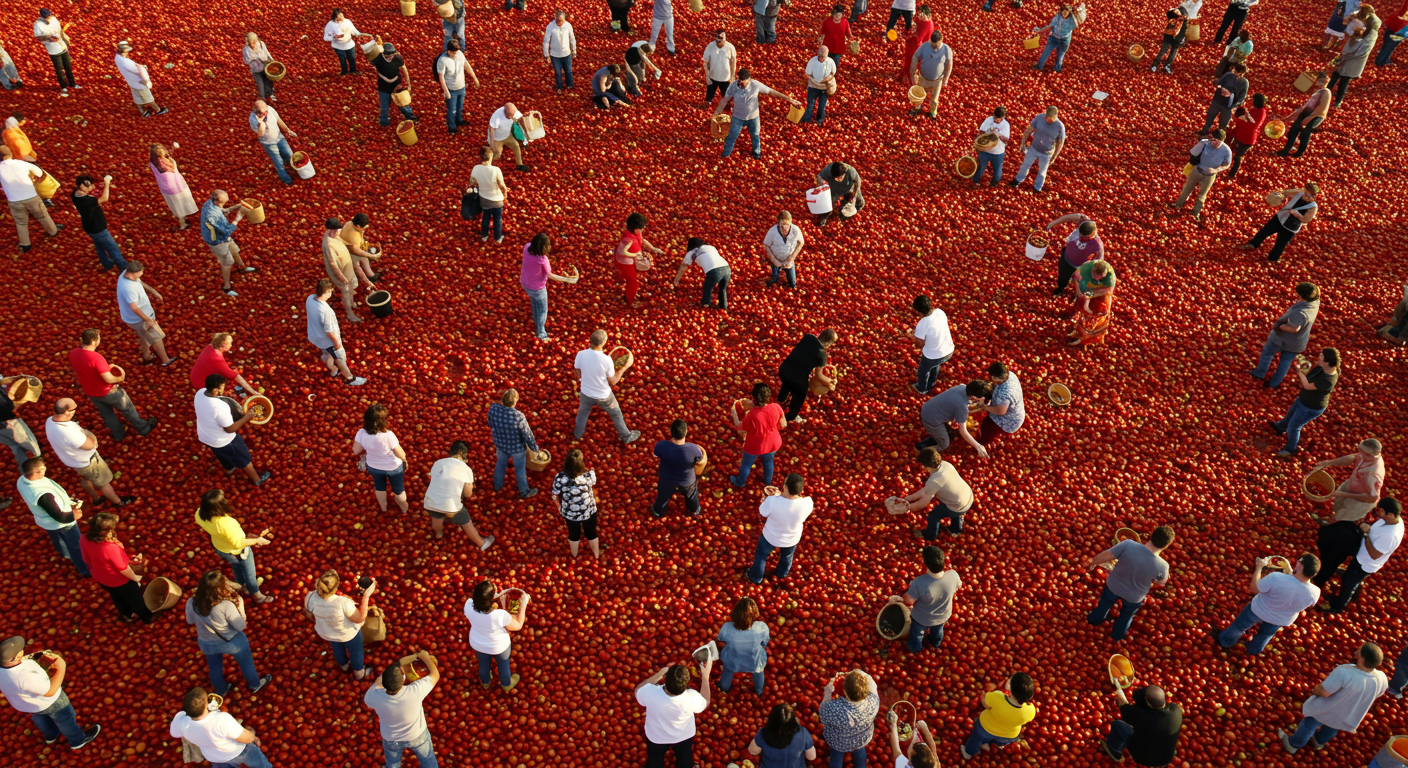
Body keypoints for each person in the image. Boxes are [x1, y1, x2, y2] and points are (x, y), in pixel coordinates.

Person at [1279, 643, 1387, 754]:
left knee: (1309, 724)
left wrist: (1315, 691)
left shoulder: (1345, 672)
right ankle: (1318, 742)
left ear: (1362, 659)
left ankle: (1293, 744)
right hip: (1348, 713)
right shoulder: (1382, 678)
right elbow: (1378, 693)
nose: (1357, 650)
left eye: (1359, 650)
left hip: (1328, 707)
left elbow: (1325, 692)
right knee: (1333, 727)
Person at [0, 636, 100, 750]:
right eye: (20, 650)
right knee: (65, 718)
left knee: (40, 716)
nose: (23, 651)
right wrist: (61, 667)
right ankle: (77, 740)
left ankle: (51, 735)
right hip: (50, 702)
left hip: (28, 704)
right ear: (16, 657)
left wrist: (36, 657)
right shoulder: (26, 677)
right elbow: (50, 692)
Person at [1214, 553, 1321, 655]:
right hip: (1280, 620)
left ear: (1301, 566)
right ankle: (1252, 651)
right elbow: (1299, 595)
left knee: (1239, 626)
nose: (1297, 562)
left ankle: (1225, 641)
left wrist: (1259, 568)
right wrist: (1291, 575)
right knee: (1264, 635)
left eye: (1300, 561)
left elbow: (1255, 588)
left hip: (1258, 609)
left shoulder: (1276, 577)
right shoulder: (1315, 592)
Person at [186, 570, 272, 694]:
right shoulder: (226, 605)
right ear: (221, 587)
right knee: (246, 663)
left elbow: (190, 621)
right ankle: (255, 685)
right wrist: (240, 605)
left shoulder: (191, 602)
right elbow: (241, 626)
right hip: (231, 641)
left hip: (206, 643)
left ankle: (221, 690)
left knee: (214, 667)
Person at [1085, 525, 1174, 641]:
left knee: (1104, 604)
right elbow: (1160, 583)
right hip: (1134, 597)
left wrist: (1091, 563)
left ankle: (1094, 621)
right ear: (1166, 546)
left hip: (1113, 586)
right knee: (1126, 616)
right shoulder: (1163, 566)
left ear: (1151, 535)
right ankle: (1117, 636)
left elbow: (1106, 556)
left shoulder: (1128, 545)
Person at [44, 399, 134, 508]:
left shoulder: (50, 420)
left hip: (73, 461)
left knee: (85, 478)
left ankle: (96, 498)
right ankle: (118, 502)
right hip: (87, 462)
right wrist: (90, 435)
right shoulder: (68, 433)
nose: (75, 411)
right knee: (102, 483)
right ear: (67, 412)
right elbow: (91, 445)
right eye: (73, 409)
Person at [1317, 498, 1402, 614]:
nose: (1379, 513)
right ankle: (1346, 595)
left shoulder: (1390, 535)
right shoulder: (1392, 520)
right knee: (1348, 578)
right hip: (1361, 556)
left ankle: (1337, 606)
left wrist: (1366, 534)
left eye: (1382, 511)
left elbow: (1375, 555)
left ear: (1391, 514)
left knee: (1349, 582)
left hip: (1365, 563)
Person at [70, 328, 155, 441]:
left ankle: (119, 435)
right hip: (108, 391)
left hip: (91, 392)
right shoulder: (96, 358)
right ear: (95, 341)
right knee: (128, 409)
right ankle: (144, 428)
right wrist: (120, 378)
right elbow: (108, 378)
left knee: (107, 415)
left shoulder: (73, 353)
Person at [195, 489, 274, 604]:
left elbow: (229, 535)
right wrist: (257, 540)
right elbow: (238, 543)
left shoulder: (199, 514)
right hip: (237, 550)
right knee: (249, 571)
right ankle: (257, 595)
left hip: (221, 548)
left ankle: (240, 584)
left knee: (236, 565)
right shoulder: (224, 523)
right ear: (220, 506)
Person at [364, 651, 441, 768]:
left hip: (391, 739)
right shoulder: (414, 691)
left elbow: (377, 683)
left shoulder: (373, 695)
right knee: (428, 760)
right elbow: (435, 675)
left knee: (393, 764)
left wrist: (385, 676)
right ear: (403, 681)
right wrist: (424, 657)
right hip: (417, 736)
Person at [17, 458, 89, 577]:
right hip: (61, 523)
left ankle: (63, 553)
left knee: (57, 536)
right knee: (76, 545)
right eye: (43, 468)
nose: (46, 468)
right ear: (37, 472)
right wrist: (74, 515)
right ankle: (84, 569)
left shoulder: (21, 480)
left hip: (45, 521)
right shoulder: (43, 494)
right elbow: (60, 517)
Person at [194, 375, 271, 487]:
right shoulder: (220, 407)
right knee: (243, 457)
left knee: (222, 453)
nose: (223, 389)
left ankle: (229, 468)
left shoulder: (200, 393)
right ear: (216, 390)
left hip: (206, 435)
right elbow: (230, 429)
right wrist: (247, 417)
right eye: (222, 387)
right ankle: (257, 479)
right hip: (223, 440)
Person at [636, 661, 712, 768]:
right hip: (683, 736)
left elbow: (638, 690)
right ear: (687, 684)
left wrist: (659, 674)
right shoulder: (692, 697)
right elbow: (706, 700)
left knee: (655, 758)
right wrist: (705, 676)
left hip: (656, 737)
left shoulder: (650, 692)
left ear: (665, 679)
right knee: (684, 756)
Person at [169, 687, 270, 768]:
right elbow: (247, 738)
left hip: (214, 758)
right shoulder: (221, 719)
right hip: (237, 752)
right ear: (206, 705)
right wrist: (252, 734)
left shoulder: (181, 720)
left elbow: (174, 733)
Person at [712, 68, 801, 160]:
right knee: (731, 136)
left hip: (753, 117)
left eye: (744, 81)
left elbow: (771, 91)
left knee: (755, 135)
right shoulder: (733, 86)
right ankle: (725, 154)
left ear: (749, 79)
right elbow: (725, 99)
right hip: (738, 117)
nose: (741, 83)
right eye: (740, 80)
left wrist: (789, 99)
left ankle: (756, 153)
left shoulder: (755, 85)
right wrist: (717, 112)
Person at [303, 570, 375, 681]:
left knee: (337, 648)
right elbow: (360, 618)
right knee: (356, 651)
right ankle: (359, 673)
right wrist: (366, 596)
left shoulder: (310, 597)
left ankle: (344, 665)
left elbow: (308, 613)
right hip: (348, 634)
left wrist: (321, 620)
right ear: (335, 588)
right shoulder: (343, 603)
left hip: (328, 633)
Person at [80, 511, 151, 623]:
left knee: (117, 596)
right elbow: (123, 568)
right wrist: (135, 578)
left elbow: (85, 559)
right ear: (107, 531)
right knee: (136, 600)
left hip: (100, 578)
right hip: (120, 581)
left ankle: (128, 615)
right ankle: (147, 618)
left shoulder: (83, 538)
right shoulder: (111, 548)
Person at [887, 545, 960, 652]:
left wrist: (896, 598)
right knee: (938, 630)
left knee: (917, 634)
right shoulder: (953, 575)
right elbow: (958, 586)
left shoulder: (920, 583)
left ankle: (915, 648)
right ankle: (935, 643)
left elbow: (908, 600)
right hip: (943, 615)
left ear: (926, 564)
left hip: (922, 619)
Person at [574, 330, 642, 443]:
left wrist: (583, 380)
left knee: (583, 413)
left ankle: (577, 434)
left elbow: (577, 371)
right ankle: (626, 437)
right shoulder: (606, 360)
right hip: (603, 395)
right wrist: (625, 368)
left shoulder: (580, 354)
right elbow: (612, 382)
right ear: (604, 342)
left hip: (586, 393)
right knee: (616, 413)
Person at [425, 440, 495, 550]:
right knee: (466, 521)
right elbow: (468, 494)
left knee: (436, 515)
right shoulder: (465, 469)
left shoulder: (438, 463)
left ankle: (439, 533)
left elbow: (436, 479)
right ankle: (482, 543)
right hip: (450, 506)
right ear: (461, 454)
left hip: (430, 501)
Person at [1251, 282, 1321, 388]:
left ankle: (1259, 373)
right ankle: (1273, 384)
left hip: (1283, 339)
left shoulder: (1300, 312)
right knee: (1285, 363)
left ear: (1302, 297)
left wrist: (1282, 327)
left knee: (1267, 354)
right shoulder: (1315, 303)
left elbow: (1295, 328)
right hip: (1297, 343)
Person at [747, 473, 813, 584]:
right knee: (787, 556)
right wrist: (780, 495)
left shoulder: (773, 501)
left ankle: (756, 577)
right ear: (801, 490)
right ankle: (781, 575)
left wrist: (770, 498)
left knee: (761, 556)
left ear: (785, 487)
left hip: (770, 537)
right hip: (791, 539)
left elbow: (762, 512)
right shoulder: (807, 503)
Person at [896, 447, 975, 537]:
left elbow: (923, 503)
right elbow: (925, 491)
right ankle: (956, 529)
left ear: (926, 467)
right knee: (955, 509)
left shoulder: (935, 481)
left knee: (934, 515)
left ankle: (930, 535)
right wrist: (907, 498)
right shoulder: (945, 464)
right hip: (968, 496)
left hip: (958, 505)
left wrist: (907, 508)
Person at [464, 580, 527, 691]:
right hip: (498, 646)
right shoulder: (500, 615)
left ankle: (485, 683)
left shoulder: (468, 606)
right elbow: (517, 625)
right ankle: (506, 685)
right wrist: (523, 605)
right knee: (503, 665)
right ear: (491, 599)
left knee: (483, 664)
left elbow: (475, 603)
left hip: (478, 644)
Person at [1310, 439, 1386, 525]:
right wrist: (1328, 463)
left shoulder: (1372, 475)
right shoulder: (1367, 456)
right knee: (1337, 506)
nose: (1359, 452)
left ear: (1370, 455)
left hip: (1359, 501)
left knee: (1343, 517)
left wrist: (1345, 495)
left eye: (1361, 451)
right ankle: (1328, 519)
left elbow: (1372, 497)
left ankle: (1330, 526)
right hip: (1352, 486)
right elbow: (1353, 457)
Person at [1100, 685, 1182, 765]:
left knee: (1118, 725)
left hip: (1142, 758)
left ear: (1148, 704)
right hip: (1166, 757)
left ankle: (1114, 751)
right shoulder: (1176, 710)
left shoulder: (1141, 716)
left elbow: (1122, 704)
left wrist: (1119, 691)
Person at [307, 279, 368, 385]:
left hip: (315, 335)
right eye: (331, 290)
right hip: (327, 340)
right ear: (327, 292)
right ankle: (350, 379)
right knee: (339, 358)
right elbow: (329, 331)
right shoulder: (325, 311)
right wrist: (337, 344)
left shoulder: (310, 299)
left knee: (327, 353)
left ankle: (333, 370)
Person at [0, 146, 60, 252]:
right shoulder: (21, 164)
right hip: (31, 197)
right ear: (11, 153)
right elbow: (39, 173)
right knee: (43, 216)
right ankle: (53, 231)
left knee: (21, 223)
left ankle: (25, 244)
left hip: (14, 200)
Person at [962, 673, 1037, 758]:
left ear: (1010, 688)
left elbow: (985, 703)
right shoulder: (1030, 710)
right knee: (1001, 741)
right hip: (1009, 735)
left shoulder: (997, 697)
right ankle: (997, 744)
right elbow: (1027, 720)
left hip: (986, 728)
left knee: (976, 739)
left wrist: (984, 696)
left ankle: (968, 753)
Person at [519, 232, 577, 340]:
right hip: (538, 288)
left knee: (534, 302)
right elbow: (549, 275)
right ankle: (541, 332)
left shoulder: (527, 247)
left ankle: (536, 320)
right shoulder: (542, 260)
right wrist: (568, 280)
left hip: (525, 283)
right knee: (543, 310)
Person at [353, 403, 409, 514]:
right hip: (393, 467)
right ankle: (404, 508)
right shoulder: (388, 435)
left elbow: (356, 450)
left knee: (379, 487)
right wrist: (405, 460)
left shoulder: (361, 433)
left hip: (373, 466)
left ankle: (383, 507)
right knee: (398, 489)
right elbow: (399, 453)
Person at [1240, 184, 1318, 262]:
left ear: (1314, 196)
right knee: (1264, 231)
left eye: (1309, 195)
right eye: (1305, 193)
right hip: (1280, 218)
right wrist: (1279, 196)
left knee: (1280, 244)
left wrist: (1297, 214)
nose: (1305, 196)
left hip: (1290, 228)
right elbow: (1285, 193)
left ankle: (1272, 259)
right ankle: (1253, 244)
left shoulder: (1313, 207)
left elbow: (1306, 220)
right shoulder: (1299, 193)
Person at [201, 190, 257, 297]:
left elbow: (221, 210)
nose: (224, 204)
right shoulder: (212, 216)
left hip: (224, 237)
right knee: (227, 262)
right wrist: (238, 218)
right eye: (223, 203)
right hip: (217, 241)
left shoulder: (210, 203)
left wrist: (235, 207)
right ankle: (226, 287)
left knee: (234, 250)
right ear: (217, 201)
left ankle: (241, 267)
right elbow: (226, 231)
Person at [1170, 130, 1233, 225]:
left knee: (1202, 194)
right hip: (1197, 170)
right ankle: (1178, 204)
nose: (1214, 143)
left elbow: (1227, 165)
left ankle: (1196, 213)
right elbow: (1193, 153)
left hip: (1209, 175)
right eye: (1212, 140)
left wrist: (1216, 170)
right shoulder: (1205, 143)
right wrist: (1200, 144)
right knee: (1187, 188)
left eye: (1217, 141)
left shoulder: (1226, 151)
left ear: (1222, 140)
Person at [818, 669, 878, 768]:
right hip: (860, 738)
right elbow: (873, 684)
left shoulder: (834, 708)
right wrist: (858, 672)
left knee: (836, 758)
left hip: (838, 741)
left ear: (844, 691)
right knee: (860, 753)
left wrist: (827, 692)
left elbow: (823, 717)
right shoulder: (873, 702)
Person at [116, 261, 173, 365]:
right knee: (156, 338)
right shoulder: (129, 288)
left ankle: (146, 356)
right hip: (140, 319)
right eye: (140, 272)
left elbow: (139, 281)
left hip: (131, 318)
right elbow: (134, 307)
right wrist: (148, 320)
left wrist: (153, 291)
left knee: (143, 335)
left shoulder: (126, 274)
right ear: (134, 272)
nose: (142, 273)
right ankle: (166, 361)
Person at [730, 384, 787, 487]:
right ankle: (767, 483)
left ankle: (740, 482)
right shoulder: (776, 407)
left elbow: (741, 428)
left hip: (755, 446)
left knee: (746, 464)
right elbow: (783, 424)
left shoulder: (751, 414)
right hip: (773, 443)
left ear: (753, 397)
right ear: (768, 396)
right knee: (768, 462)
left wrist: (734, 414)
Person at [488, 388, 540, 499]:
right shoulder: (518, 416)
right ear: (515, 402)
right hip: (517, 448)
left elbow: (490, 424)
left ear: (502, 399)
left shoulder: (493, 409)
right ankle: (524, 492)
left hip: (501, 445)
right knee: (520, 470)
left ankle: (497, 486)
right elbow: (527, 435)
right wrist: (534, 448)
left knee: (500, 465)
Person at [777, 329, 837, 424]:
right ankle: (791, 417)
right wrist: (830, 383)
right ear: (829, 342)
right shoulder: (822, 354)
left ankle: (781, 399)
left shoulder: (808, 337)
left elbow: (804, 355)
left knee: (787, 382)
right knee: (800, 395)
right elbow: (819, 375)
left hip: (784, 369)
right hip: (796, 379)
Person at [918, 381, 990, 457]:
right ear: (973, 397)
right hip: (930, 419)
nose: (983, 398)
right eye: (981, 397)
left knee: (948, 430)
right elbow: (963, 431)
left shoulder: (962, 386)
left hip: (927, 407)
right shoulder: (962, 407)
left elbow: (959, 404)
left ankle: (936, 436)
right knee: (944, 444)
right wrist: (978, 446)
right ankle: (922, 451)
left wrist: (977, 405)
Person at [652, 419, 706, 518]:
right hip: (687, 482)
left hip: (667, 481)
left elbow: (655, 454)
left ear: (671, 432)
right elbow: (700, 459)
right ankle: (694, 510)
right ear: (686, 432)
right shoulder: (693, 449)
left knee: (662, 498)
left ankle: (658, 511)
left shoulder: (661, 446)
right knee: (692, 497)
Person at [70, 175, 126, 270]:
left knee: (99, 245)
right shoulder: (88, 201)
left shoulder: (75, 195)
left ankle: (107, 264)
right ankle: (123, 266)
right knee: (112, 247)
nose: (91, 186)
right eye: (87, 184)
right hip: (98, 228)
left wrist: (88, 188)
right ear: (81, 186)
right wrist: (107, 183)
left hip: (89, 227)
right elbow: (104, 198)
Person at [552, 449, 600, 558]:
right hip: (588, 511)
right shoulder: (588, 475)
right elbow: (593, 481)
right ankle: (596, 554)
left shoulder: (560, 478)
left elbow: (555, 495)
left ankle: (574, 555)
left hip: (570, 513)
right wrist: (591, 469)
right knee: (591, 533)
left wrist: (560, 508)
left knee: (573, 534)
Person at [717, 597, 769, 693]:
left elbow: (721, 640)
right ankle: (759, 691)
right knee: (758, 670)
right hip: (754, 661)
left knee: (727, 670)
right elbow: (765, 642)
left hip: (733, 661)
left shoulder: (727, 627)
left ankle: (724, 688)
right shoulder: (761, 627)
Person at [613, 212, 665, 308]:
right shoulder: (627, 240)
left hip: (632, 260)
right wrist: (635, 255)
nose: (643, 230)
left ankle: (630, 293)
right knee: (632, 282)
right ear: (635, 229)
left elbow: (642, 241)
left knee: (634, 279)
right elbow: (621, 252)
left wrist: (653, 249)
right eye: (641, 228)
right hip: (625, 263)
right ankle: (630, 301)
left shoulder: (636, 234)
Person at [1008, 107, 1066, 192]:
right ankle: (1018, 180)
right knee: (1025, 165)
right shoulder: (1039, 118)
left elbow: (1060, 143)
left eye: (1050, 119)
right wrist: (1022, 143)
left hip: (1046, 153)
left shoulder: (1060, 127)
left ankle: (1037, 188)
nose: (1047, 119)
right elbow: (1029, 130)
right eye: (1046, 117)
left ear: (1055, 116)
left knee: (1042, 171)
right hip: (1034, 148)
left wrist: (1054, 157)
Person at [1328, 14, 1381, 107]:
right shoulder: (1364, 29)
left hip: (1353, 61)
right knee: (1335, 74)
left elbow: (1363, 50)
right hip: (1347, 56)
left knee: (1344, 80)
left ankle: (1337, 101)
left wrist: (1348, 56)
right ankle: (1326, 91)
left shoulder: (1371, 35)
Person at [1275, 75, 1332, 158]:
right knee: (1293, 131)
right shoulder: (1318, 91)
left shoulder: (1326, 92)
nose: (1320, 83)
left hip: (1315, 116)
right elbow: (1307, 106)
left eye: (1323, 81)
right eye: (1320, 81)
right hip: (1306, 114)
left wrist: (1310, 118)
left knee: (1305, 134)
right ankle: (1286, 150)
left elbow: (1321, 108)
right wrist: (1291, 117)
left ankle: (1299, 153)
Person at [1047, 213, 1102, 297]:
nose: (1081, 237)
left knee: (1078, 281)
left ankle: (1078, 293)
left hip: (1079, 265)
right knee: (1063, 276)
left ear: (1092, 234)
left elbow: (1098, 259)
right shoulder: (1083, 220)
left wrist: (1089, 269)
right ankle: (1061, 288)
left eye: (1085, 237)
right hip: (1066, 257)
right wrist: (1051, 225)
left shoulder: (1097, 244)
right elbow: (1066, 218)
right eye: (1080, 234)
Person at [909, 295, 954, 395]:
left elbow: (919, 344)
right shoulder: (940, 312)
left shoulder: (923, 323)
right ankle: (931, 385)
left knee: (923, 371)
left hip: (933, 355)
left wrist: (912, 336)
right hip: (948, 350)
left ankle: (921, 389)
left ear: (918, 311)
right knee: (935, 365)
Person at [148, 143, 198, 231]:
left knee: (175, 203)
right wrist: (170, 157)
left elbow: (166, 156)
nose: (165, 150)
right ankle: (183, 224)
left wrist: (171, 150)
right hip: (174, 185)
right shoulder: (164, 163)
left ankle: (182, 217)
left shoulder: (153, 161)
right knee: (179, 203)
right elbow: (172, 167)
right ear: (159, 154)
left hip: (165, 186)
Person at [1067, 259, 1117, 346]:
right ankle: (1079, 332)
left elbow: (1108, 290)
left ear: (1105, 273)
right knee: (1085, 311)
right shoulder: (1085, 268)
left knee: (1101, 313)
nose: (1097, 279)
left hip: (1102, 292)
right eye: (1094, 276)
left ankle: (1092, 339)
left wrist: (1094, 294)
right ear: (1092, 270)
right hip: (1088, 289)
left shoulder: (1110, 276)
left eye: (1100, 277)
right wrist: (1079, 292)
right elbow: (1076, 277)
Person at [748, 703, 817, 765]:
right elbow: (811, 757)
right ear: (794, 720)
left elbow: (752, 751)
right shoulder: (803, 734)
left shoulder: (763, 733)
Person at [321, 218, 361, 322]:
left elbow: (343, 238)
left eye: (337, 229)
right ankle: (349, 313)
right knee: (346, 291)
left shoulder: (335, 233)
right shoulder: (329, 245)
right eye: (335, 230)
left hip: (347, 267)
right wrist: (342, 278)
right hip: (340, 272)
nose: (337, 231)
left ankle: (352, 302)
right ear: (330, 230)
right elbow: (332, 264)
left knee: (351, 287)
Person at [976, 362, 1025, 447]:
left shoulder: (1005, 394)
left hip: (1008, 419)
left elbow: (1000, 411)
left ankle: (982, 443)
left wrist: (984, 407)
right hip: (1014, 410)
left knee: (987, 428)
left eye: (991, 377)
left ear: (995, 377)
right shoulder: (1010, 375)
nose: (990, 379)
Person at [673, 237, 730, 309]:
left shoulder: (693, 251)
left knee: (707, 288)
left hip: (714, 270)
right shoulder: (710, 247)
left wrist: (676, 281)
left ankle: (705, 306)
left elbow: (683, 266)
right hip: (727, 268)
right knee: (722, 288)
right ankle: (723, 307)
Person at [114, 41, 167, 118]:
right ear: (125, 51)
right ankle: (158, 110)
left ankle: (144, 112)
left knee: (138, 98)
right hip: (139, 82)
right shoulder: (127, 62)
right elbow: (138, 71)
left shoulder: (117, 58)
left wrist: (139, 66)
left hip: (131, 82)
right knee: (149, 99)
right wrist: (145, 78)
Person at [249, 99, 296, 185]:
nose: (265, 114)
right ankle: (285, 179)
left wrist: (287, 131)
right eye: (262, 113)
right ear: (255, 111)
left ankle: (292, 166)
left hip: (279, 137)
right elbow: (260, 134)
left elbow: (279, 120)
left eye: (265, 111)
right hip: (268, 143)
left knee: (289, 154)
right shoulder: (253, 119)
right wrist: (261, 124)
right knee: (278, 161)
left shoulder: (270, 109)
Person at [908, 31, 952, 119]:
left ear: (941, 40)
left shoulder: (946, 49)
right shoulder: (924, 46)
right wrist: (912, 72)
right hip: (923, 78)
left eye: (935, 45)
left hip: (937, 80)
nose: (933, 47)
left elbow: (949, 64)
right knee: (919, 94)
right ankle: (917, 108)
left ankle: (932, 112)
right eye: (931, 44)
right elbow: (915, 56)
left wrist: (946, 78)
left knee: (935, 98)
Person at [32, 8, 77, 93]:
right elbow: (38, 37)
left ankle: (72, 83)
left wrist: (65, 39)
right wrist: (49, 38)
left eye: (49, 16)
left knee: (68, 66)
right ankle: (63, 87)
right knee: (59, 69)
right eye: (47, 17)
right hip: (53, 49)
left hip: (62, 45)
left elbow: (60, 31)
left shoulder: (54, 19)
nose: (48, 18)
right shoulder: (38, 24)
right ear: (42, 17)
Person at [373, 43, 418, 128]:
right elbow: (378, 72)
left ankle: (411, 118)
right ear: (383, 54)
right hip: (384, 88)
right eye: (387, 57)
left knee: (403, 104)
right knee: (384, 106)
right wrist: (388, 80)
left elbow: (404, 69)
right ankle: (384, 123)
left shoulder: (397, 58)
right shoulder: (378, 59)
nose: (390, 58)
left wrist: (408, 84)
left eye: (391, 56)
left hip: (397, 86)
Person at [1226, 93, 1268, 179]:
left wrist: (1239, 118)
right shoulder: (1257, 111)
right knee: (1232, 151)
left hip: (1247, 139)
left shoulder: (1259, 113)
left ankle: (1232, 174)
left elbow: (1250, 124)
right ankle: (1226, 166)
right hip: (1241, 135)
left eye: (1253, 100)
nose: (1251, 101)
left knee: (1237, 157)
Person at [1198, 64, 1248, 137]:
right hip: (1217, 101)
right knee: (1210, 118)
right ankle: (1204, 131)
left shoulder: (1244, 83)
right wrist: (1222, 89)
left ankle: (1219, 137)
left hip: (1229, 106)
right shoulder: (1228, 75)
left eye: (1239, 74)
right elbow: (1217, 83)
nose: (1237, 75)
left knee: (1223, 124)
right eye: (1236, 72)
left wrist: (1233, 100)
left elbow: (1242, 97)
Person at [762, 210, 805, 288]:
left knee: (793, 284)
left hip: (788, 260)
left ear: (790, 224)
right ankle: (770, 285)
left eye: (786, 224)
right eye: (782, 224)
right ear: (778, 223)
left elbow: (801, 243)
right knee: (773, 280)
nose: (784, 227)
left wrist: (792, 259)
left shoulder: (795, 230)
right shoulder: (772, 231)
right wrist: (774, 260)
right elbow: (766, 245)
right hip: (776, 258)